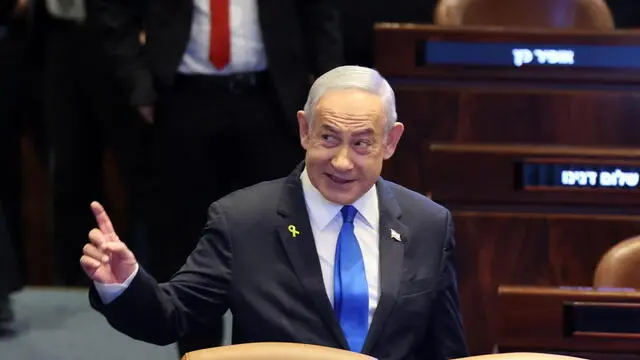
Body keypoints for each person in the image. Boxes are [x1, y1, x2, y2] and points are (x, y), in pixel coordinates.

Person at [81, 66, 469, 360]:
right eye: (328, 138)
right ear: (304, 131)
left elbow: (446, 349)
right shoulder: (243, 221)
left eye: (362, 143)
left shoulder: (428, 225)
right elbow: (171, 316)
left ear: (391, 141)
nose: (342, 161)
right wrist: (124, 284)